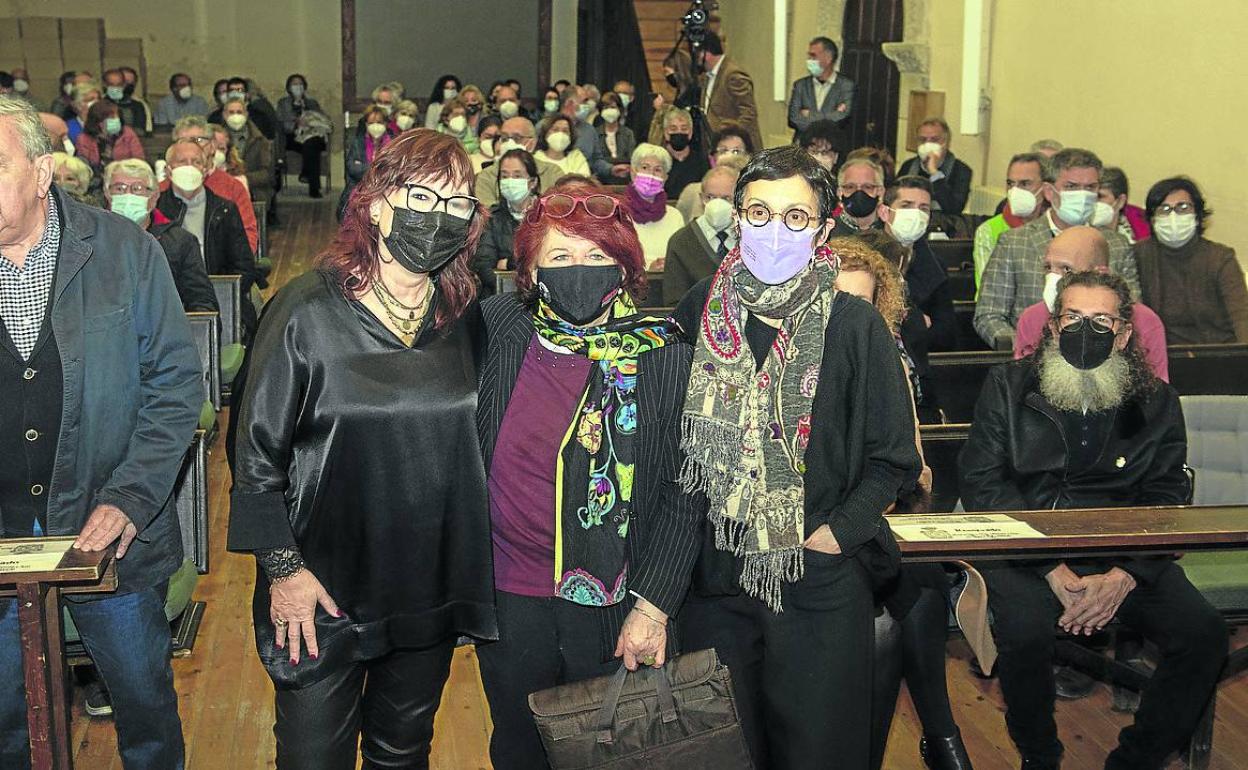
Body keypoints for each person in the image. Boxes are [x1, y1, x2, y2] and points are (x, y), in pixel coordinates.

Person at [227, 128, 496, 770]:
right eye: (424, 197)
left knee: (401, 754)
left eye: (459, 204)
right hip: (323, 585)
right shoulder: (304, 312)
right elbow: (255, 456)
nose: (441, 218)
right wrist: (284, 573)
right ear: (376, 203)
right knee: (312, 757)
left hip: (426, 580)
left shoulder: (465, 317)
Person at [674, 145, 923, 769]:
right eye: (759, 213)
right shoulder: (700, 308)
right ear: (735, 217)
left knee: (818, 753)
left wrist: (837, 534)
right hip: (718, 575)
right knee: (729, 751)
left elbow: (894, 456)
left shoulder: (854, 325)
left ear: (823, 227)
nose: (774, 231)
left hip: (817, 579)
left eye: (794, 217)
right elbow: (670, 439)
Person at [0, 95, 200, 770]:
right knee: (6, 721)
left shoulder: (124, 252)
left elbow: (175, 388)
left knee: (143, 712)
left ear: (41, 172)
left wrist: (130, 499)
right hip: (2, 538)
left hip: (108, 532)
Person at [960, 270, 1229, 770]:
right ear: (1053, 326)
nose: (1088, 330)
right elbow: (982, 483)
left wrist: (1124, 576)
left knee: (1204, 635)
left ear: (1125, 333)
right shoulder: (1008, 385)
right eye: (1075, 317)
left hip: (1123, 551)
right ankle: (1040, 755)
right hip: (1026, 545)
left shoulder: (1158, 401)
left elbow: (1168, 495)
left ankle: (1136, 760)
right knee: (1024, 632)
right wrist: (1051, 568)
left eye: (1102, 320)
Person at [475, 178, 699, 769]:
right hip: (508, 594)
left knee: (615, 755)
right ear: (530, 272)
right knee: (518, 747)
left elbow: (686, 490)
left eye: (597, 255)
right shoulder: (501, 328)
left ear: (625, 266)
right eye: (561, 256)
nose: (580, 268)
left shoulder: (664, 354)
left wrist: (653, 607)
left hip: (618, 602)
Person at [830, 235, 971, 769]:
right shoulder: (789, 363)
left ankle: (933, 738)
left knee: (918, 591)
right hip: (815, 524)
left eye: (860, 303)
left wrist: (886, 487)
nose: (847, 312)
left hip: (876, 512)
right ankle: (944, 739)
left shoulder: (887, 356)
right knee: (910, 596)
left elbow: (911, 460)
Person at [975, 148, 1138, 350]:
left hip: (1100, 355)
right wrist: (1024, 348)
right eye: (1071, 186)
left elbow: (1132, 310)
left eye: (1090, 187)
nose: (1082, 195)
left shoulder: (1117, 245)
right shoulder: (1014, 242)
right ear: (1049, 192)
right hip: (1030, 356)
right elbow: (989, 314)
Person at [1014, 226, 1168, 380]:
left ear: (1099, 273)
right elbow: (1021, 384)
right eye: (1048, 267)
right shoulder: (1030, 318)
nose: (1053, 277)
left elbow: (1157, 393)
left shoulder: (1146, 321)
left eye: (1066, 269)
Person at [157, 139, 258, 337]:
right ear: (168, 170)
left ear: (206, 169)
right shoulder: (155, 208)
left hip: (218, 298)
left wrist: (215, 294)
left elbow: (244, 267)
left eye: (196, 162)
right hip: (167, 301)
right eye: (181, 161)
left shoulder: (225, 209)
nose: (189, 167)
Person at [1136, 176, 1248, 344]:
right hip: (1161, 359)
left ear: (1197, 215)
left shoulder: (1220, 257)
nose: (1173, 216)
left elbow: (1241, 316)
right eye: (1164, 209)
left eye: (1183, 207)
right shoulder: (1139, 255)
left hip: (1217, 355)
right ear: (1152, 219)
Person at [103, 158, 217, 313]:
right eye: (119, 188)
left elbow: (202, 301)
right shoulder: (91, 240)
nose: (128, 195)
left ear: (154, 197)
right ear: (107, 195)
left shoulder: (181, 242)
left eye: (137, 188)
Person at [881, 176, 956, 353]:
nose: (915, 214)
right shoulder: (863, 257)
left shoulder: (935, 266)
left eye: (923, 208)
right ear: (885, 213)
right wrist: (917, 323)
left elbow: (946, 334)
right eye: (906, 206)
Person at [169, 115, 259, 254]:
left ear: (212, 147)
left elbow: (247, 236)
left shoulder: (233, 187)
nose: (192, 147)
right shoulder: (162, 189)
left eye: (198, 140)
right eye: (183, 141)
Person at [972, 152, 1048, 293]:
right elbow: (990, 289)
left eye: (1025, 184)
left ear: (1046, 188)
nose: (1015, 191)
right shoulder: (988, 231)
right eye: (1010, 184)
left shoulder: (1055, 228)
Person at [664, 164, 739, 305]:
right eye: (710, 197)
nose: (717, 204)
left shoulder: (750, 239)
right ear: (701, 198)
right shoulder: (681, 241)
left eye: (726, 198)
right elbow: (674, 302)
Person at [474, 148, 540, 295]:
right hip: (502, 295)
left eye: (517, 176)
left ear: (533, 182)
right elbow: (485, 268)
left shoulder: (546, 215)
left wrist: (509, 263)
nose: (510, 181)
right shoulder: (491, 218)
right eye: (505, 176)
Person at [474, 117, 564, 207]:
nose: (509, 143)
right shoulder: (486, 176)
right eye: (505, 138)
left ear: (532, 143)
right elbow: (486, 213)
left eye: (517, 138)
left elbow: (559, 209)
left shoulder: (552, 172)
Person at [699, 31, 763, 154]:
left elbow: (748, 113)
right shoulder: (707, 77)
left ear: (705, 54)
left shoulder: (733, 75)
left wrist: (732, 136)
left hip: (735, 149)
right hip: (717, 146)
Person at [625, 143, 684, 270]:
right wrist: (648, 269)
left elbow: (682, 258)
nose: (651, 175)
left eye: (658, 170)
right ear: (633, 172)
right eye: (645, 167)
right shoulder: (617, 213)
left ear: (665, 177)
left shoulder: (675, 216)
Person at [898, 118, 972, 218]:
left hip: (943, 225)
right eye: (923, 140)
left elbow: (954, 208)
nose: (927, 144)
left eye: (934, 140)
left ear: (945, 143)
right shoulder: (908, 166)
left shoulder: (961, 170)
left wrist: (934, 172)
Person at [677, 128, 753, 222]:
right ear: (712, 157)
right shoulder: (692, 192)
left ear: (749, 156)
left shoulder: (755, 194)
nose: (730, 156)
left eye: (736, 151)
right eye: (723, 151)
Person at [787, 36, 855, 136]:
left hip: (831, 147)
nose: (809, 60)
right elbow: (793, 119)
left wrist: (809, 115)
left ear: (828, 58)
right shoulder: (800, 85)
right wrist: (830, 115)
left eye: (813, 56)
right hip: (803, 146)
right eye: (809, 56)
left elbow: (842, 117)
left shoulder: (846, 85)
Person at [276, 74, 329, 199]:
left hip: (313, 135)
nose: (297, 87)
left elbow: (320, 118)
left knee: (312, 144)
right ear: (289, 87)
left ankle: (307, 176)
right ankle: (313, 186)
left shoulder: (312, 103)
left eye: (300, 84)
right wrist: (296, 123)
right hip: (293, 138)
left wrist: (311, 121)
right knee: (310, 147)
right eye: (294, 84)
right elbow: (280, 122)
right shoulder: (283, 103)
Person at [340, 106, 397, 219]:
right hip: (360, 189)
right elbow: (353, 169)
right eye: (371, 122)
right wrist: (378, 170)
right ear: (366, 124)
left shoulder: (394, 144)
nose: (375, 126)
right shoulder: (357, 142)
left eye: (379, 122)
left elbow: (394, 170)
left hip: (386, 190)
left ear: (386, 124)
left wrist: (365, 168)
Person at [74, 100, 144, 184]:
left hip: (125, 179)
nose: (116, 119)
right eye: (112, 117)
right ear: (99, 121)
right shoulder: (83, 139)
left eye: (117, 115)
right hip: (94, 183)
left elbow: (139, 161)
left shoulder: (128, 134)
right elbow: (82, 168)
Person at [222, 96, 275, 205]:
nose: (235, 115)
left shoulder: (260, 141)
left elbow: (267, 174)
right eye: (231, 112)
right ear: (224, 115)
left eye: (239, 112)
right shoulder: (215, 140)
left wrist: (243, 179)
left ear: (246, 114)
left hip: (253, 190)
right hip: (222, 186)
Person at [649, 49, 699, 147]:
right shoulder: (681, 93)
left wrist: (661, 110)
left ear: (678, 70)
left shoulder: (693, 93)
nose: (666, 76)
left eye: (667, 72)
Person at [558, 86, 609, 178]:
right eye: (584, 101)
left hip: (583, 184)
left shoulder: (589, 130)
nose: (587, 105)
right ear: (569, 103)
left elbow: (596, 160)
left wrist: (611, 169)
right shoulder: (546, 127)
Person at [1092, 166, 1150, 244]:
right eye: (1090, 196)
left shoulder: (1142, 234)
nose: (1092, 202)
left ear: (1120, 201)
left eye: (1099, 196)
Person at [660, 107, 709, 200]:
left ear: (690, 133)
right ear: (666, 133)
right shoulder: (659, 160)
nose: (679, 132)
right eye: (673, 129)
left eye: (684, 128)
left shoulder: (701, 160)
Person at [836, 156, 887, 233]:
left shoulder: (890, 231)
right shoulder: (826, 233)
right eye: (850, 187)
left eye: (867, 187)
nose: (859, 192)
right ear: (840, 192)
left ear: (880, 192)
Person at [594, 91, 635, 185]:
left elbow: (631, 158)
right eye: (606, 108)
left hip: (624, 179)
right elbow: (595, 160)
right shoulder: (594, 134)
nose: (609, 110)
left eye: (613, 107)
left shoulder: (628, 133)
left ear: (619, 110)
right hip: (601, 180)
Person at [101, 68, 148, 135]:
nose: (115, 88)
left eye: (118, 85)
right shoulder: (97, 105)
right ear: (105, 85)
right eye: (111, 84)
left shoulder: (136, 105)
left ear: (124, 85)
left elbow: (140, 131)